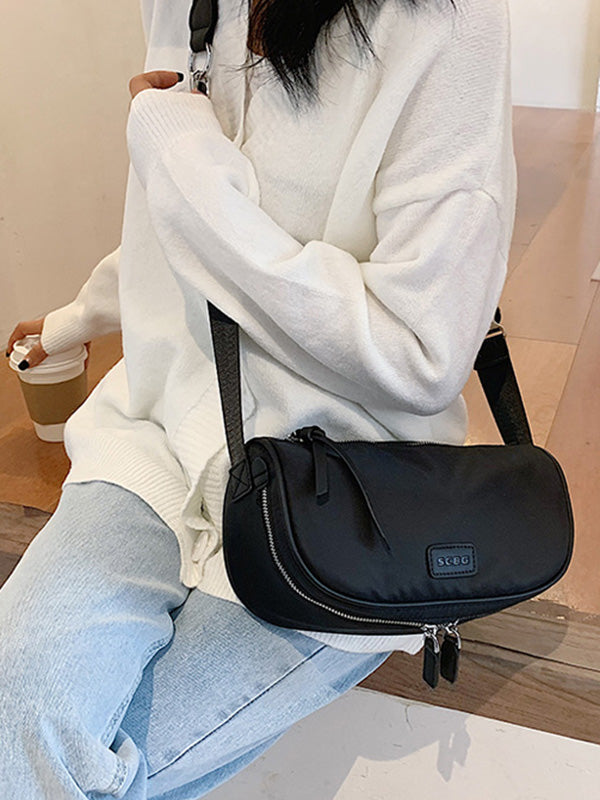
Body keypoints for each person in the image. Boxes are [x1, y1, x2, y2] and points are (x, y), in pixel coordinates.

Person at [0, 0, 517, 796]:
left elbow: (420, 349)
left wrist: (181, 155)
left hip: (341, 488)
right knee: (16, 719)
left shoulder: (448, 20)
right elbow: (175, 231)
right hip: (157, 440)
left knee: (76, 777)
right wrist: (80, 317)